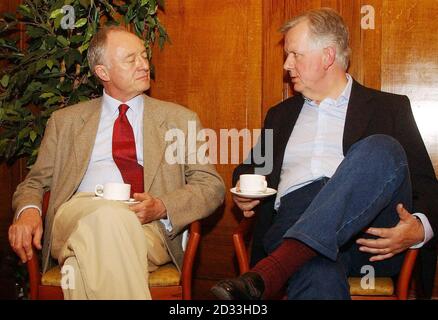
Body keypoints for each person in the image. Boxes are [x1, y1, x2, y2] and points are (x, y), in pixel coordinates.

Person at [211, 8, 438, 300]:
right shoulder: (281, 116)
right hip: (292, 224)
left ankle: (271, 271)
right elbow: (250, 170)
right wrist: (244, 190)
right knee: (317, 273)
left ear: (327, 56)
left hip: (368, 240)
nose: (286, 64)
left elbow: (428, 188)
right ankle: (286, 261)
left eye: (295, 54)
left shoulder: (388, 108)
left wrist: (419, 229)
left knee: (382, 148)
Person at [8, 26, 225, 299]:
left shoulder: (179, 120)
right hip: (77, 216)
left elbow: (211, 185)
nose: (143, 64)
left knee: (85, 263)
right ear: (103, 73)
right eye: (130, 59)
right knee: (106, 217)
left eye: (144, 56)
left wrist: (162, 207)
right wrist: (28, 210)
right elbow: (35, 183)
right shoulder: (66, 122)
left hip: (146, 227)